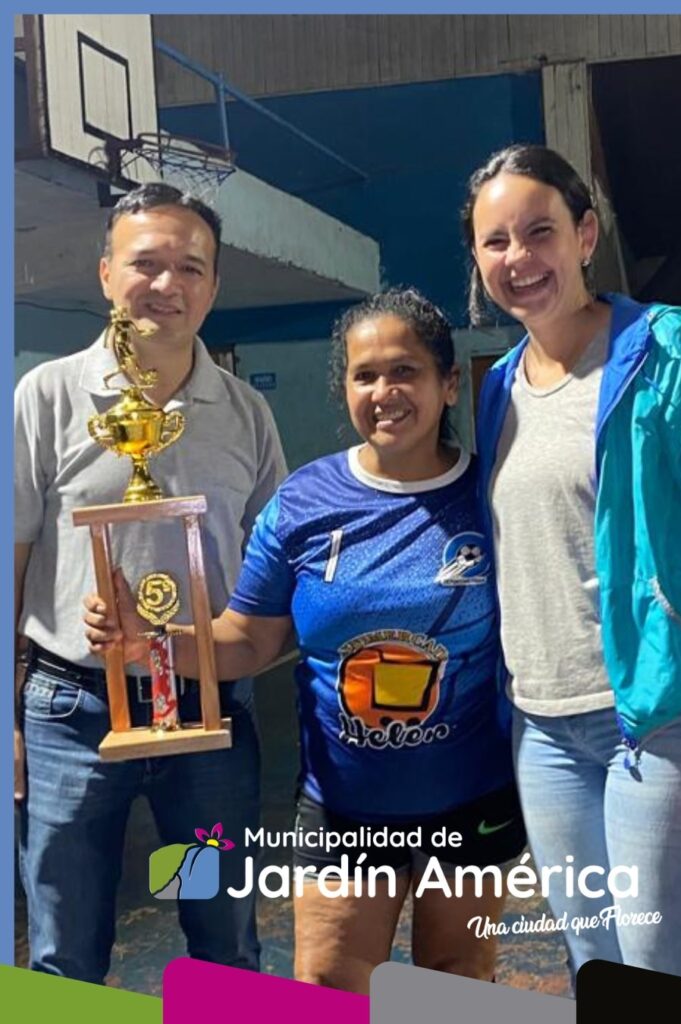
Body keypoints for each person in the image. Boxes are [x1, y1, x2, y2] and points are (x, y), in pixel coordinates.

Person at [85, 287, 526, 994]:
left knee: (458, 979)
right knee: (328, 982)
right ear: (344, 388)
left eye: (405, 371)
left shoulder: (493, 497)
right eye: (364, 375)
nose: (384, 391)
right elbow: (247, 642)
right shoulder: (303, 502)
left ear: (447, 383)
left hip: (471, 800)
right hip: (344, 805)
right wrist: (153, 640)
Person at [461, 144, 681, 987]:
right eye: (495, 242)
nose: (518, 259)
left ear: (583, 234)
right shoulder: (498, 385)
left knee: (665, 970)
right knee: (597, 967)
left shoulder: (662, 347)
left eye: (539, 232)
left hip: (659, 720)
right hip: (543, 731)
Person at [15, 182, 288, 983]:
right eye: (146, 264)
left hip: (207, 729)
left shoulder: (244, 414)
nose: (167, 285)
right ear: (105, 274)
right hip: (71, 718)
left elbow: (273, 572)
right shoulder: (49, 396)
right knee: (66, 955)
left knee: (223, 946)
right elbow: (14, 559)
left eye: (190, 268)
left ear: (213, 287)